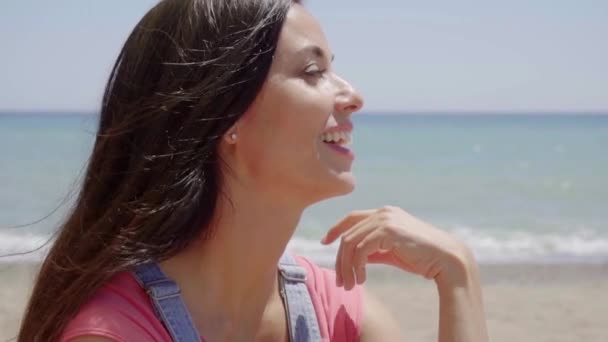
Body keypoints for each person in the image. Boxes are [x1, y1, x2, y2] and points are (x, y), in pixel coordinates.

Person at [18, 0, 489, 341]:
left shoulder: (344, 317)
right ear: (226, 116)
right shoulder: (117, 332)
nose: (352, 95)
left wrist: (459, 277)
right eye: (312, 72)